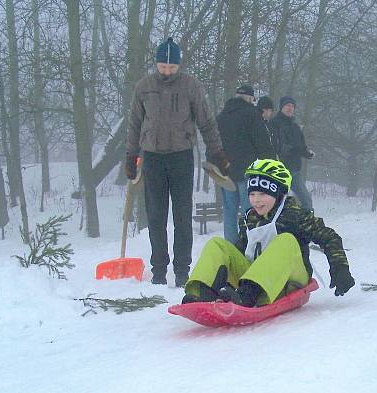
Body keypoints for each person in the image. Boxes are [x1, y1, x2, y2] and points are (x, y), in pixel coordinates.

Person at [125, 37, 230, 287]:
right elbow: (134, 124)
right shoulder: (144, 87)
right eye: (163, 67)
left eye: (172, 68)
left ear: (179, 66)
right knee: (156, 216)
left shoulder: (190, 86)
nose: (167, 71)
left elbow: (205, 121)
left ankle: (182, 270)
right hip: (152, 157)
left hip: (182, 156)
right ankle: (159, 271)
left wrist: (216, 152)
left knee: (182, 216)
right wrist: (131, 155)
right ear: (156, 64)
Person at [181, 159, 354, 307]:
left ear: (278, 193)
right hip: (255, 281)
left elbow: (329, 237)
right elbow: (243, 251)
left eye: (263, 193)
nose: (256, 200)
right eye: (252, 193)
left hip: (291, 280)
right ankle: (203, 292)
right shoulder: (249, 219)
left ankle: (247, 295)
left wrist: (340, 268)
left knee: (285, 240)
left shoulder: (294, 214)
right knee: (217, 244)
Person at [216, 84, 276, 244]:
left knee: (229, 212)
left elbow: (214, 145)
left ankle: (230, 247)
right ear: (250, 99)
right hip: (247, 172)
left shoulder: (221, 116)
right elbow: (262, 143)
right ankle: (251, 246)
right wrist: (272, 165)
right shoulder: (252, 114)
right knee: (251, 211)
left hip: (226, 172)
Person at [269, 97, 315, 212]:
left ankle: (308, 225)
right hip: (279, 169)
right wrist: (293, 150)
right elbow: (275, 146)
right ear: (281, 107)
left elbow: (301, 146)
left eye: (292, 106)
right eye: (287, 105)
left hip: (294, 169)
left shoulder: (295, 127)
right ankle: (277, 227)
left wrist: (307, 153)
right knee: (278, 203)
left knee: (306, 200)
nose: (290, 108)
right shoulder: (274, 124)